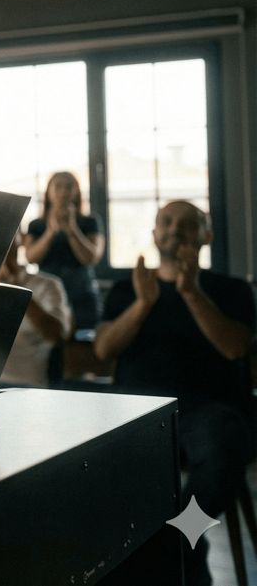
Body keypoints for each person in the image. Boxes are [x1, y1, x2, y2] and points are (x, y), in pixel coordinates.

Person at [94, 201, 254, 586]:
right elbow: (103, 350)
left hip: (209, 413)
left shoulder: (231, 289)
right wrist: (144, 303)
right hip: (139, 415)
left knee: (222, 449)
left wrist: (191, 293)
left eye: (187, 223)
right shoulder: (127, 289)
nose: (175, 229)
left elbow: (235, 347)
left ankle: (177, 538)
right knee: (89, 467)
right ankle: (178, 552)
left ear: (206, 236)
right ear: (153, 234)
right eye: (166, 221)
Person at [23, 172, 106, 332]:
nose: (63, 192)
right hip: (47, 296)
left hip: (82, 295)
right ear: (49, 191)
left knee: (82, 347)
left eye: (69, 186)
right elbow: (31, 257)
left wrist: (72, 229)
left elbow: (91, 258)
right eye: (58, 186)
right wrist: (51, 232)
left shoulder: (90, 222)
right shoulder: (36, 225)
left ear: (76, 191)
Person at [0, 241, 71, 387]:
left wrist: (16, 289)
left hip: (26, 385)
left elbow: (58, 334)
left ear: (20, 241)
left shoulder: (48, 285)